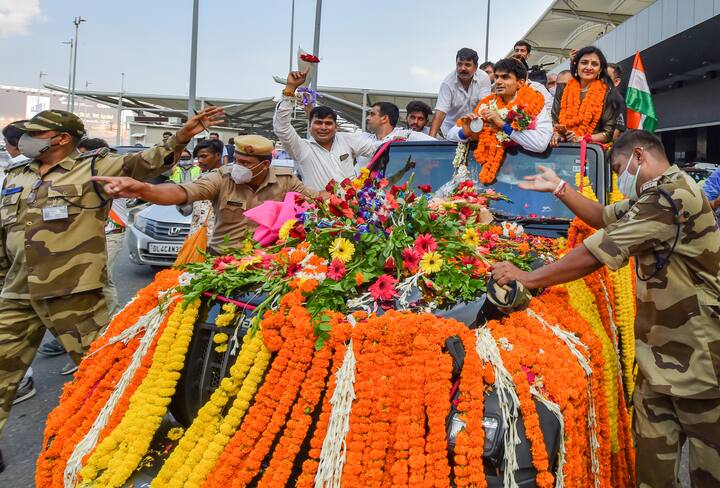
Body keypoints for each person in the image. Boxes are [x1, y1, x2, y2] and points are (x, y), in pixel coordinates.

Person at [491, 130, 720, 487]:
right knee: (652, 473)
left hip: (700, 361)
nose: (618, 178)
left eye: (618, 168)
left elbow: (597, 251)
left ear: (639, 156)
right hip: (658, 360)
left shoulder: (671, 196)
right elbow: (603, 217)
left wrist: (530, 277)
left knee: (708, 474)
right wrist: (560, 188)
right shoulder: (653, 194)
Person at [0, 107, 221, 469]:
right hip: (17, 292)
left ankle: (131, 447)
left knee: (104, 375)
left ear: (61, 138)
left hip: (75, 294)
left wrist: (182, 136)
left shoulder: (93, 167)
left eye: (36, 133)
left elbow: (148, 163)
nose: (27, 139)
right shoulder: (17, 174)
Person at [93, 135, 319, 254]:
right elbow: (184, 192)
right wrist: (144, 189)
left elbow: (318, 200)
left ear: (265, 165)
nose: (237, 167)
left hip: (269, 263)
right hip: (222, 260)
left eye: (246, 163)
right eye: (236, 161)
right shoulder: (221, 178)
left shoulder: (286, 180)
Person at [273, 70, 377, 191]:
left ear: (336, 126)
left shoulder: (346, 139)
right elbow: (282, 127)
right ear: (310, 126)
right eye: (318, 123)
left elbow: (376, 149)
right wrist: (290, 88)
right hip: (319, 208)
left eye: (328, 123)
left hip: (353, 206)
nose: (323, 127)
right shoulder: (301, 148)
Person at [0, 123, 36, 414]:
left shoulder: (82, 170)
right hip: (17, 284)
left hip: (74, 289)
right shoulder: (11, 175)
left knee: (101, 363)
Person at [447, 57, 552, 154]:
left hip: (524, 168)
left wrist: (502, 125)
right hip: (492, 168)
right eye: (497, 77)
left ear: (520, 83)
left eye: (505, 77)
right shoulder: (486, 105)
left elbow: (540, 144)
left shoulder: (535, 104)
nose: (498, 82)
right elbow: (450, 135)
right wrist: (465, 132)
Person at [551, 46, 620, 146]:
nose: (588, 67)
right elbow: (554, 121)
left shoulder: (607, 94)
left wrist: (581, 138)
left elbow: (608, 133)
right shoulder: (563, 89)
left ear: (600, 69)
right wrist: (558, 134)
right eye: (584, 63)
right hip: (561, 149)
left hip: (589, 152)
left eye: (594, 64)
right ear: (576, 65)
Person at [429, 48, 492, 138]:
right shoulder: (447, 83)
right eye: (459, 64)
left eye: (467, 65)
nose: (463, 68)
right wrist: (431, 140)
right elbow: (440, 113)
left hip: (475, 129)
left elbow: (484, 105)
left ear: (476, 67)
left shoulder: (483, 78)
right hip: (450, 132)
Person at [181, 139, 225, 242]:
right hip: (196, 238)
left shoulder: (228, 179)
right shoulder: (199, 178)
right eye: (198, 157)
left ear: (218, 156)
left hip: (217, 241)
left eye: (204, 156)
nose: (200, 160)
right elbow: (187, 210)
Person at [366, 102, 435, 143]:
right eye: (412, 117)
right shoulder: (400, 134)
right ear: (406, 118)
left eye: (420, 119)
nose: (415, 122)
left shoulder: (411, 135)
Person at [607, 63, 627, 140]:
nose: (602, 80)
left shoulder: (618, 100)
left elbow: (617, 133)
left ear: (616, 82)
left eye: (607, 77)